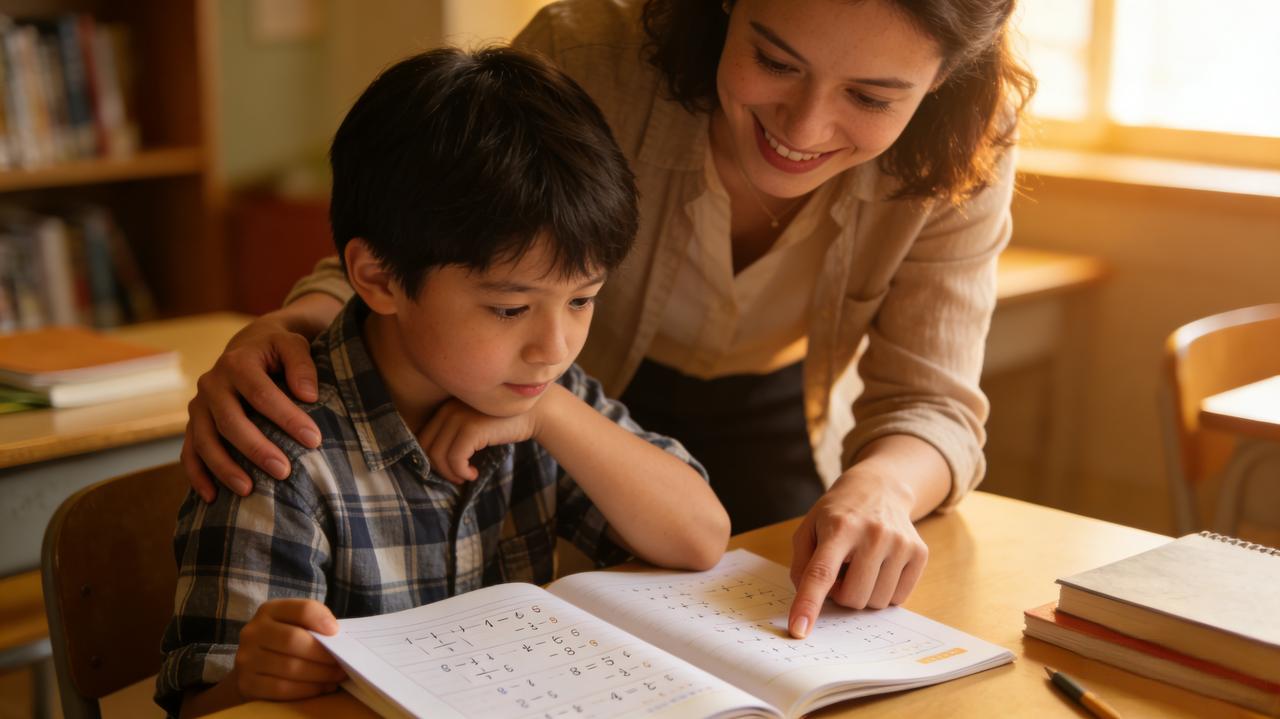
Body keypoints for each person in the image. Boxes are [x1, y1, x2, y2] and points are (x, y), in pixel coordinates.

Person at [182, 0, 1034, 642]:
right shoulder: (592, 55)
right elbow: (429, 218)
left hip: (705, 405)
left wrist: (879, 488)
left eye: (873, 96)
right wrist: (298, 325)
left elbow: (933, 405)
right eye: (775, 61)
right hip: (552, 388)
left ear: (938, 86)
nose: (805, 127)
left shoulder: (963, 141)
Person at [155, 46, 730, 718]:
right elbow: (201, 706)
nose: (554, 344)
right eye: (510, 308)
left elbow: (701, 535)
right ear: (378, 278)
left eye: (582, 299)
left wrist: (551, 418)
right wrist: (253, 679)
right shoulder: (282, 452)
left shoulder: (534, 395)